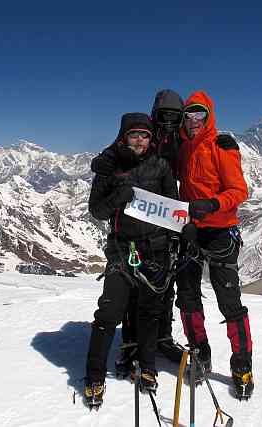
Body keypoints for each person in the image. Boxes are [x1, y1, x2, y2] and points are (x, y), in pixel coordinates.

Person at [84, 112, 178, 408]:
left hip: (155, 249)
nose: (140, 140)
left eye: (145, 135)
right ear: (124, 136)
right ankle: (94, 376)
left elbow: (173, 208)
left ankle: (147, 365)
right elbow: (96, 210)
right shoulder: (110, 168)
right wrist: (117, 198)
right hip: (122, 249)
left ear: (152, 139)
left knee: (150, 311)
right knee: (109, 313)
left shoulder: (161, 165)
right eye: (134, 134)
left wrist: (181, 231)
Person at [175, 91, 255, 400]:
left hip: (221, 231)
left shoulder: (222, 147)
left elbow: (239, 190)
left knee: (230, 303)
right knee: (188, 297)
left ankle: (242, 366)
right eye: (189, 116)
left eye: (200, 116)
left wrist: (212, 204)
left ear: (209, 117)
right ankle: (200, 352)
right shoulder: (184, 149)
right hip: (192, 231)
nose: (194, 121)